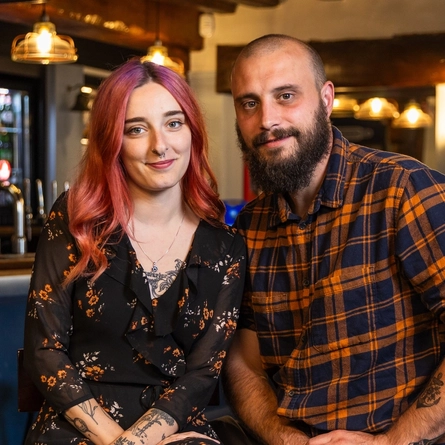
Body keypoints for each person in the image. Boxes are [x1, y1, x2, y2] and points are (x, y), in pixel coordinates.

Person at [222, 33, 445, 444]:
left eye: (286, 95)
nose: (267, 119)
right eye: (249, 102)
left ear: (326, 99)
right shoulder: (249, 227)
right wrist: (287, 439)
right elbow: (245, 363)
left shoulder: (402, 188)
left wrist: (390, 443)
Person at [23, 58, 246, 445]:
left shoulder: (227, 246)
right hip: (78, 428)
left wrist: (140, 441)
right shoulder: (75, 218)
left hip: (174, 430)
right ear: (113, 141)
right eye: (137, 129)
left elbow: (202, 373)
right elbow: (45, 352)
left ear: (192, 131)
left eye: (174, 123)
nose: (161, 145)